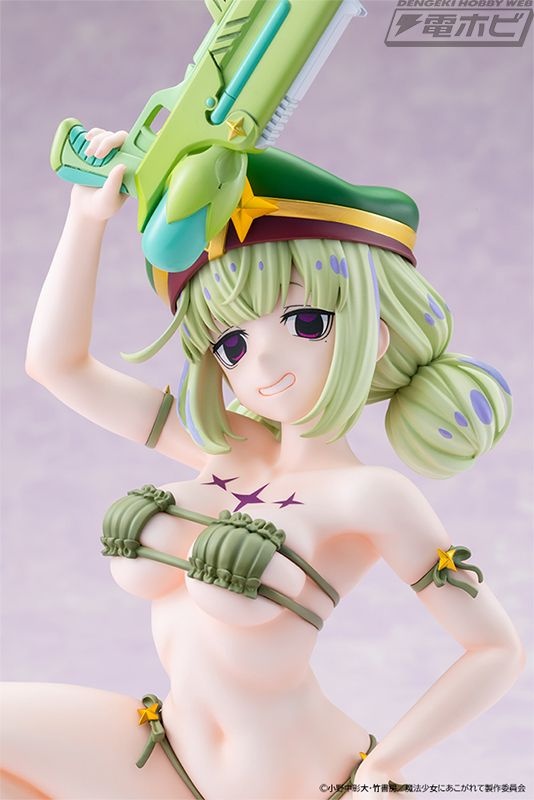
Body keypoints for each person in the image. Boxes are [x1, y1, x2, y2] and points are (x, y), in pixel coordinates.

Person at [0, 129, 524, 800]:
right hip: (165, 752)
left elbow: (496, 649)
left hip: (296, 778)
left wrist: (385, 766)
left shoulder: (370, 495)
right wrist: (87, 218)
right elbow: (58, 365)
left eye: (305, 323)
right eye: (233, 344)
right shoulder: (221, 442)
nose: (264, 361)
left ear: (373, 335)